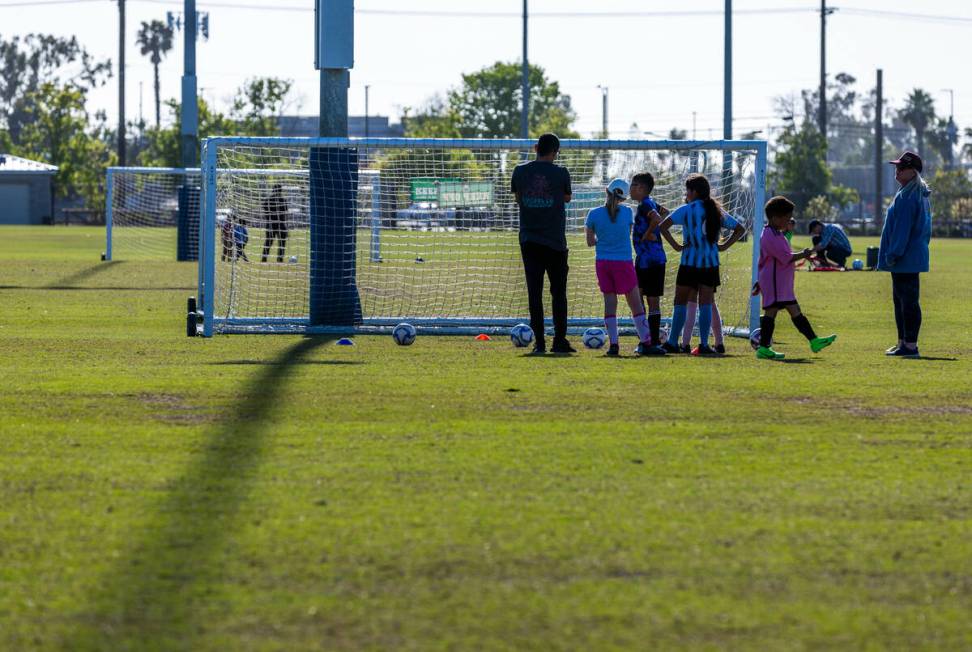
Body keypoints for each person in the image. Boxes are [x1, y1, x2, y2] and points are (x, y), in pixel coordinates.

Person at [657, 174, 745, 356]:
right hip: (710, 264)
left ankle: (673, 342)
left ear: (694, 191)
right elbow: (740, 229)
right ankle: (704, 344)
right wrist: (723, 246)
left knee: (679, 302)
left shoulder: (686, 209)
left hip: (689, 263)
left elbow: (663, 226)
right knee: (705, 303)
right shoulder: (716, 210)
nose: (686, 193)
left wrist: (676, 246)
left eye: (687, 190)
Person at [511, 133, 575, 354]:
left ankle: (539, 342)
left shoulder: (519, 171)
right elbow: (567, 197)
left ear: (536, 147)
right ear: (556, 152)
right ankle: (559, 340)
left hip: (529, 239)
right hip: (555, 241)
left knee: (534, 293)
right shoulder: (561, 173)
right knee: (558, 293)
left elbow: (518, 198)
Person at [754, 196, 837, 360]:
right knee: (772, 313)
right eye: (786, 218)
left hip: (781, 284)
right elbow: (785, 257)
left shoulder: (776, 233)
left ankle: (814, 341)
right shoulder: (769, 235)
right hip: (774, 283)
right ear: (775, 218)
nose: (789, 221)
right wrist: (804, 254)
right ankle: (764, 348)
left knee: (794, 312)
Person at [585, 179, 657, 357]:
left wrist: (601, 240)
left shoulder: (593, 214)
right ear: (624, 198)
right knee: (635, 304)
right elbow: (627, 233)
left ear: (605, 191)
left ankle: (614, 345)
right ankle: (647, 342)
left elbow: (589, 242)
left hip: (602, 262)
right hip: (623, 262)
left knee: (610, 303)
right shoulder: (627, 212)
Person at [878, 150, 932, 358]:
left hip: (904, 258)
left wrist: (893, 254)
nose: (897, 171)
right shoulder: (912, 193)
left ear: (912, 171)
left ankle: (910, 346)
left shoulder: (909, 196)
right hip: (909, 257)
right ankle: (903, 342)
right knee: (900, 301)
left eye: (901, 167)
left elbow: (902, 230)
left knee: (908, 303)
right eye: (897, 167)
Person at [629, 172, 674, 353]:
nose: (630, 189)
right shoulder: (649, 203)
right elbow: (666, 213)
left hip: (650, 260)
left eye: (633, 185)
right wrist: (652, 230)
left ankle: (651, 341)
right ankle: (649, 340)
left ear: (640, 188)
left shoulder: (646, 203)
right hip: (648, 259)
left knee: (647, 300)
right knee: (643, 299)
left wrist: (648, 234)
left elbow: (657, 218)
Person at [262, 184, 289, 263]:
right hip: (280, 223)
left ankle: (264, 258)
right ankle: (280, 259)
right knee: (281, 242)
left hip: (271, 223)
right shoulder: (283, 200)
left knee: (269, 242)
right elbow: (285, 213)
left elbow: (265, 210)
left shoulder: (268, 200)